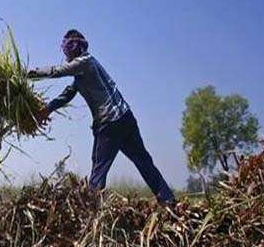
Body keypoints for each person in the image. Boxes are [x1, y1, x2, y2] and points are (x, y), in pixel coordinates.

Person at [28, 29, 175, 205]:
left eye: (69, 46)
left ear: (77, 47)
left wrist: (29, 74)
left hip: (109, 124)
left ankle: (92, 213)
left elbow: (57, 71)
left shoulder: (85, 62)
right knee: (143, 161)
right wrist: (48, 109)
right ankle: (168, 200)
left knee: (99, 170)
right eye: (65, 46)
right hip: (126, 119)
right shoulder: (83, 71)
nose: (67, 51)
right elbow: (68, 93)